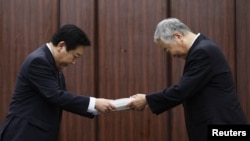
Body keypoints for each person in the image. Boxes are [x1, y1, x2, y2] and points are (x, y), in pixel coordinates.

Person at [128, 18, 247, 141]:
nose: (172, 55)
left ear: (178, 36)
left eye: (167, 49)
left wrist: (147, 99)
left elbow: (182, 90)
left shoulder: (203, 51)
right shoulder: (204, 48)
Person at [0, 24, 115, 141]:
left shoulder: (53, 66)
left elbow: (63, 100)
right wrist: (94, 103)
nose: (74, 62)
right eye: (75, 56)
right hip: (22, 134)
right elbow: (57, 96)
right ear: (61, 46)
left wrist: (97, 106)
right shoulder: (38, 61)